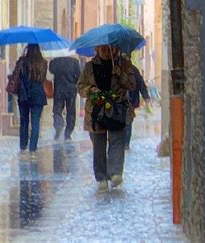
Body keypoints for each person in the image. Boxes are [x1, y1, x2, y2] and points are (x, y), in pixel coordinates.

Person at [77, 45, 136, 192]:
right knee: (98, 144)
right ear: (97, 49)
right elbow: (81, 87)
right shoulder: (90, 66)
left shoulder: (123, 64)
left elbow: (132, 84)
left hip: (117, 109)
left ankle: (115, 173)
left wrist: (121, 74)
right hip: (97, 111)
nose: (106, 51)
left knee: (117, 141)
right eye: (102, 48)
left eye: (109, 48)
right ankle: (102, 178)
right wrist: (92, 91)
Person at [16, 44, 48, 155]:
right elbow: (43, 79)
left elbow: (17, 76)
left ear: (28, 49)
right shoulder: (43, 63)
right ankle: (33, 148)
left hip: (24, 94)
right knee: (35, 122)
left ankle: (23, 146)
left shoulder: (22, 61)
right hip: (38, 95)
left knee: (24, 121)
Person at [49, 56, 81, 141]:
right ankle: (68, 133)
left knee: (57, 110)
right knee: (71, 111)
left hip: (59, 89)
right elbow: (79, 75)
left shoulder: (55, 61)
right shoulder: (74, 61)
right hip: (71, 89)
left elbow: (51, 70)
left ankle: (58, 126)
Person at [125, 63, 151, 150]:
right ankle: (122, 145)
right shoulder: (114, 69)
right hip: (118, 102)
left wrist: (146, 96)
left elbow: (140, 83)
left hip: (130, 101)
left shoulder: (133, 70)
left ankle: (126, 145)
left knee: (128, 123)